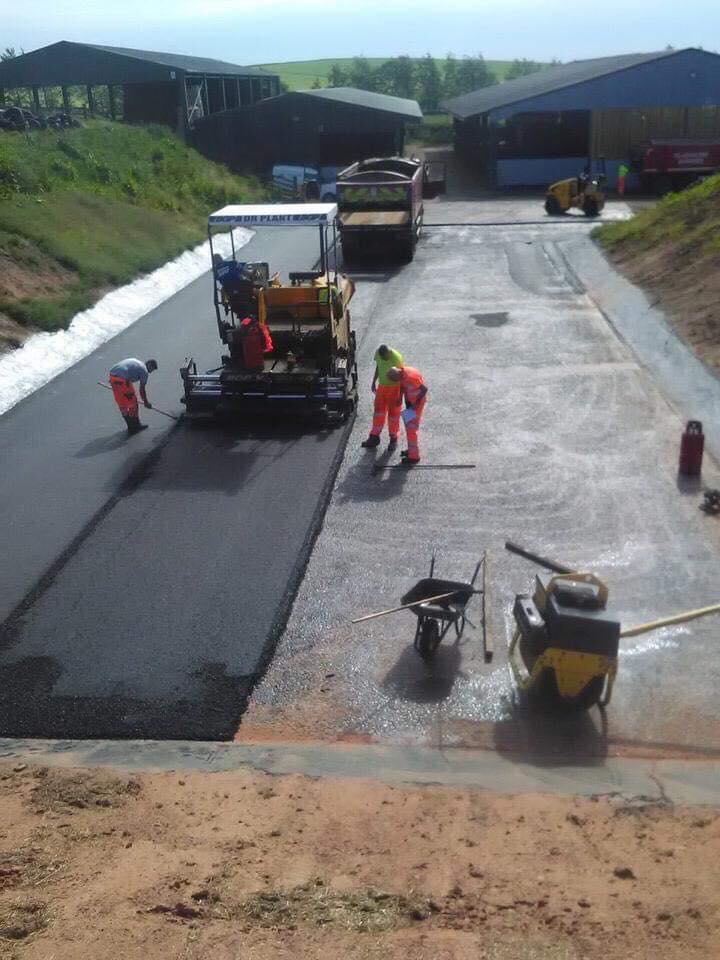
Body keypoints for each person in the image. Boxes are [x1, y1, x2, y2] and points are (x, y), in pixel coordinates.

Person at [361, 343, 404, 450]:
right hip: (382, 387)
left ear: (389, 353)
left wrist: (400, 396)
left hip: (394, 389)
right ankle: (374, 437)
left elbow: (402, 377)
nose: (384, 360)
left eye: (385, 358)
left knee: (393, 415)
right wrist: (373, 381)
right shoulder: (379, 354)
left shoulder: (397, 358)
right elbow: (378, 367)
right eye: (382, 358)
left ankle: (393, 439)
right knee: (378, 412)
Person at [387, 365, 428, 464]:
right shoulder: (402, 372)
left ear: (398, 375)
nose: (396, 382)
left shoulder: (410, 377)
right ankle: (411, 450)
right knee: (408, 426)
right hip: (410, 403)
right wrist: (400, 397)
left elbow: (424, 389)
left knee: (411, 429)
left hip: (416, 405)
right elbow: (402, 385)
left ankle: (414, 457)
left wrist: (416, 404)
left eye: (395, 380)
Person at [108, 358, 158, 435]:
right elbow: (142, 390)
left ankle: (130, 426)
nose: (150, 372)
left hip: (113, 377)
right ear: (149, 365)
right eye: (152, 369)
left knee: (122, 403)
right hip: (122, 379)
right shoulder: (144, 371)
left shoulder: (137, 362)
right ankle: (136, 426)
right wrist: (146, 402)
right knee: (133, 403)